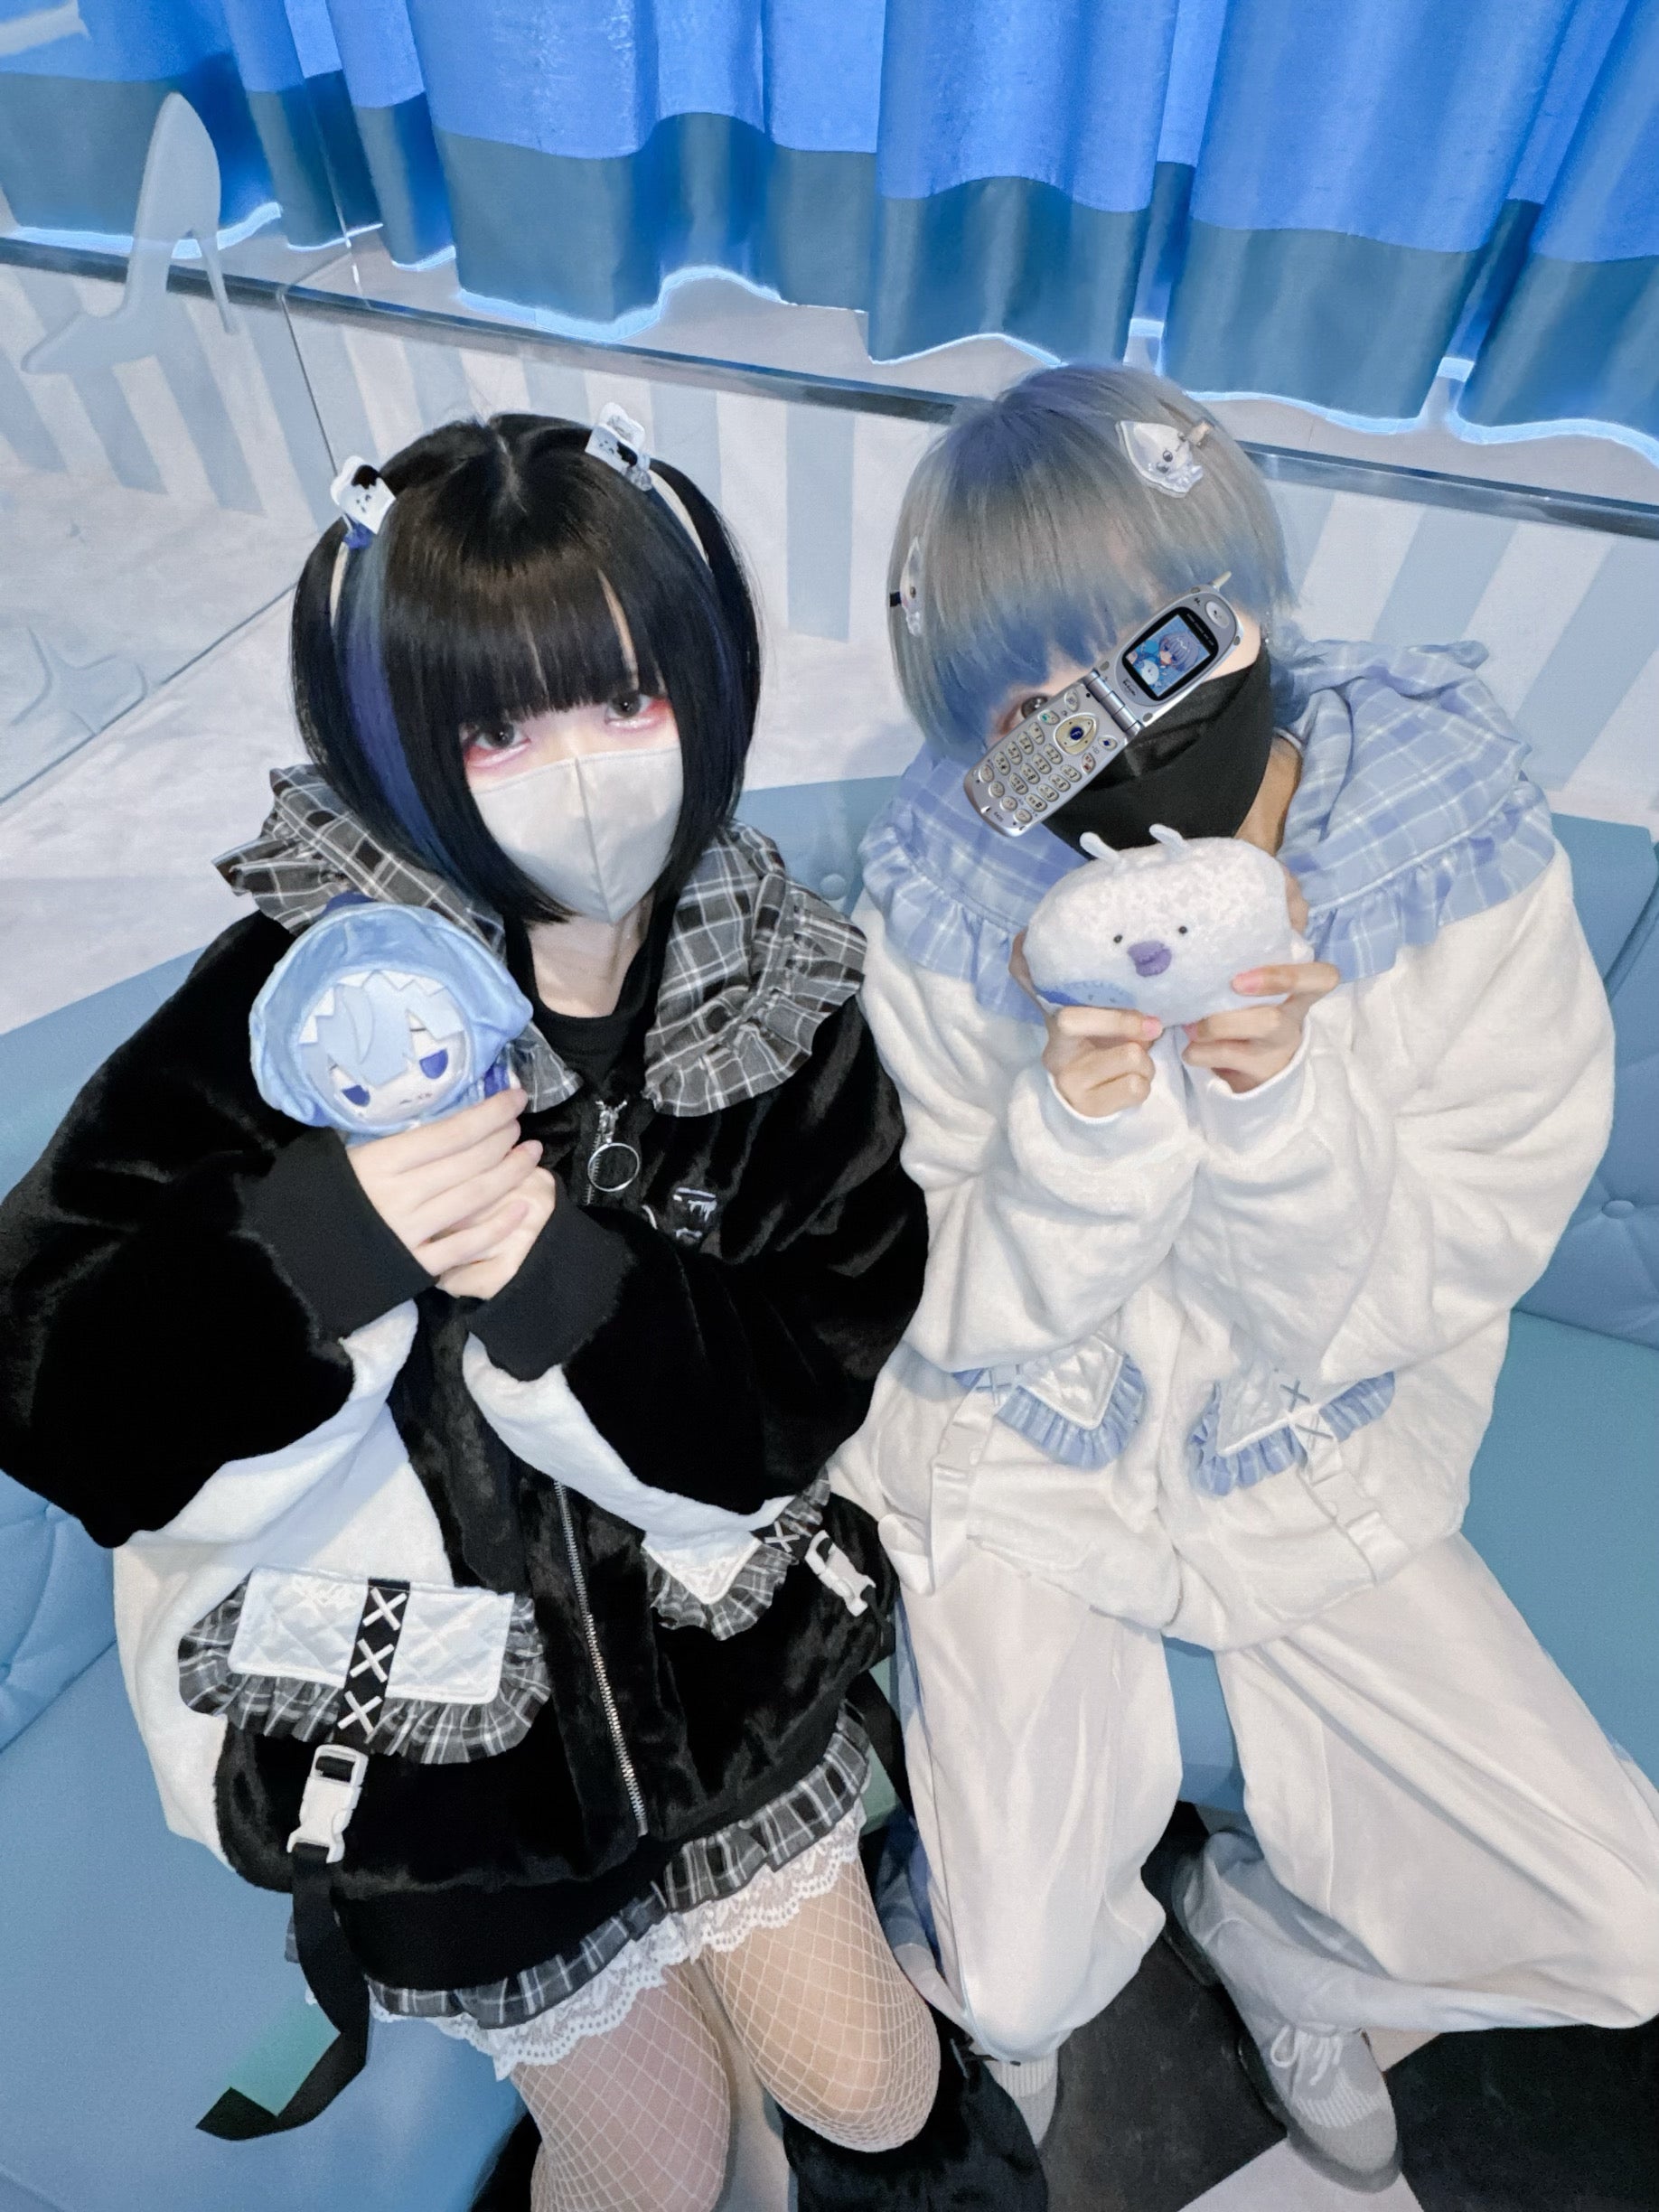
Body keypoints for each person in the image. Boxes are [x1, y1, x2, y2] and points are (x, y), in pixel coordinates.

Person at [0, 412, 962, 2212]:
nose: (577, 774)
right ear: (392, 738)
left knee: (876, 2086)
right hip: (438, 1754)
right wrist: (327, 1246)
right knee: (660, 2169)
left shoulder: (780, 997)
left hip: (711, 1673)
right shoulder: (304, 999)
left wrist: (569, 1289)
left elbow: (809, 1368)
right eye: (497, 730)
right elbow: (49, 1376)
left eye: (626, 699)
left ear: (704, 681)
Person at [831, 363, 1659, 2189]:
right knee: (1015, 1976)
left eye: (1154, 648)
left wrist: (1282, 1108)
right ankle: (982, 1976)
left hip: (1311, 1429)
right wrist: (1082, 1135)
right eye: (1033, 712)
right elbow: (933, 1288)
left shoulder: (1449, 843)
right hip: (1030, 1439)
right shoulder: (955, 889)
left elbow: (1466, 1239)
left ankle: (1285, 1951)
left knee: (1623, 1929)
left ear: (1246, 604)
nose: (1110, 731)